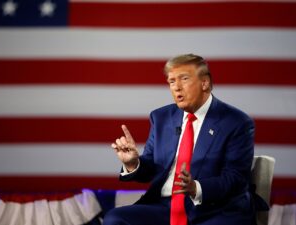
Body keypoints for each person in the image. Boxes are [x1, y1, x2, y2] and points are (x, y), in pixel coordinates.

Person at [104, 54, 257, 225]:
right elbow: (153, 167)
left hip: (215, 210)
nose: (176, 87)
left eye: (184, 79)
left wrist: (195, 188)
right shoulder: (161, 117)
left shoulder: (235, 122)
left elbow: (236, 178)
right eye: (171, 81)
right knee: (114, 219)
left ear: (204, 83)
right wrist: (133, 163)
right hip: (165, 207)